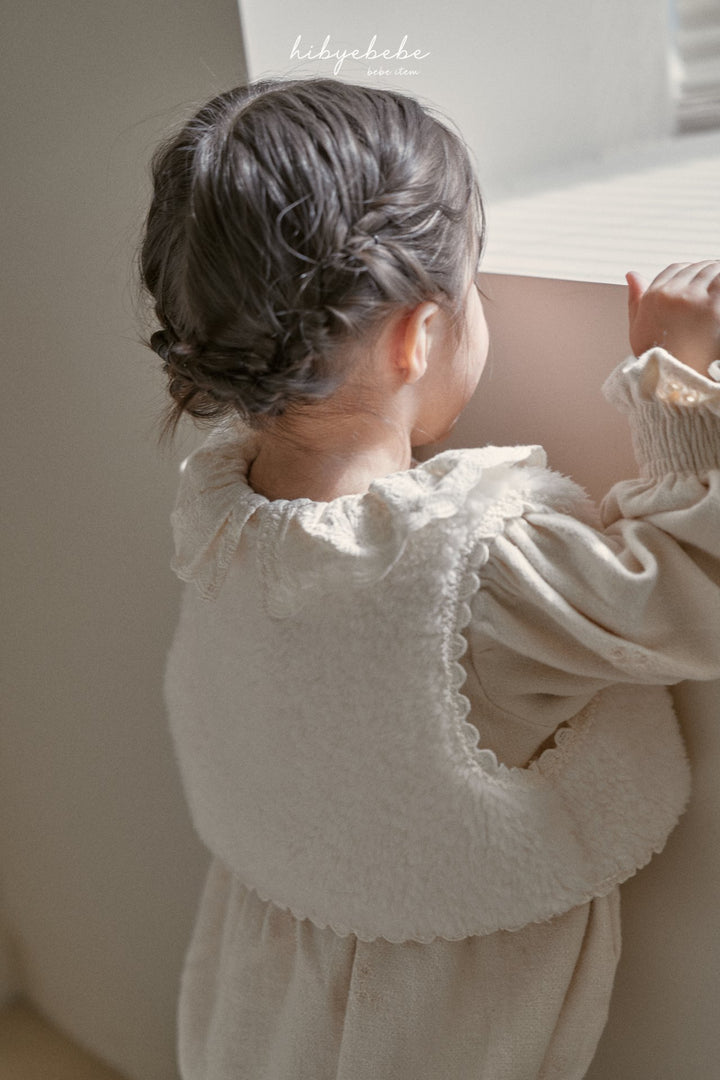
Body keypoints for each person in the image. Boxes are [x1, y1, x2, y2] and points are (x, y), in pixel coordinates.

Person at [138, 76, 720, 1080]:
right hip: (438, 1028)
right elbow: (685, 596)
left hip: (263, 980)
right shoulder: (481, 568)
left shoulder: (219, 517)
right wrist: (676, 382)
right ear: (416, 334)